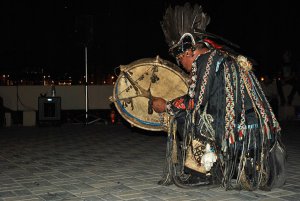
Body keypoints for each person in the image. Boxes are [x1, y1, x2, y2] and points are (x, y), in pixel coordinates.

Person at [152, 3, 286, 190]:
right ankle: (223, 166)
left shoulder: (205, 60)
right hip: (255, 127)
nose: (181, 64)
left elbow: (195, 101)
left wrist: (166, 105)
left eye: (180, 59)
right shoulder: (220, 56)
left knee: (186, 117)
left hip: (243, 128)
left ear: (188, 51)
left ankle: (203, 173)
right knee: (198, 114)